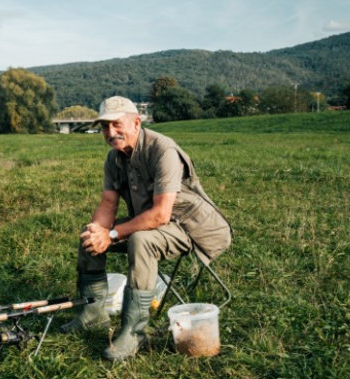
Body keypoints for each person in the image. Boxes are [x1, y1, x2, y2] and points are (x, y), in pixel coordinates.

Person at [60, 96, 231, 361]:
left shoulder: (163, 150)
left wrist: (113, 234)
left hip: (190, 227)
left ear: (136, 122)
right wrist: (98, 231)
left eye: (117, 125)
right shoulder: (114, 158)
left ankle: (134, 332)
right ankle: (92, 314)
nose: (110, 133)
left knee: (141, 241)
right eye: (105, 127)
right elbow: (108, 203)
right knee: (90, 236)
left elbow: (161, 214)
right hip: (152, 223)